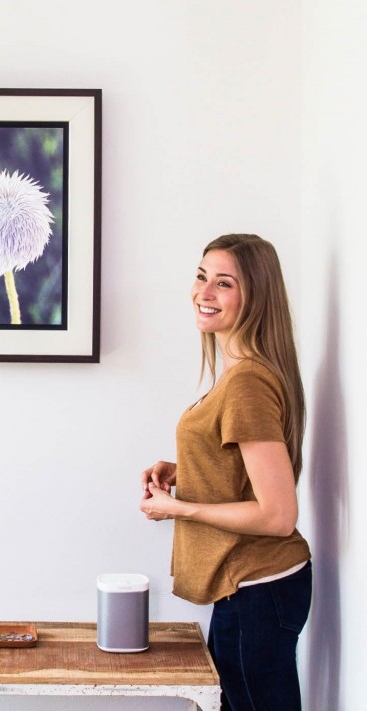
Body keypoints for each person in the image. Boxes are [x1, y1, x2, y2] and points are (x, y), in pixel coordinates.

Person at [140, 234, 312, 711]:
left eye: (224, 283)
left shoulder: (247, 383)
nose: (204, 292)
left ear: (255, 296)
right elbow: (244, 468)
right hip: (252, 588)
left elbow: (277, 515)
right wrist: (188, 469)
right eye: (201, 277)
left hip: (257, 586)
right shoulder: (244, 373)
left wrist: (180, 507)